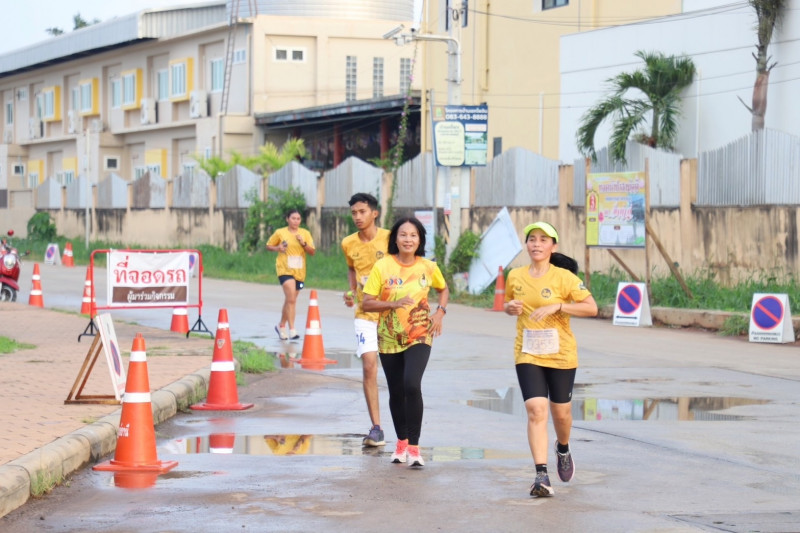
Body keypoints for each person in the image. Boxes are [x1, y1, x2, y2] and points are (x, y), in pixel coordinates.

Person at [503, 221, 597, 497]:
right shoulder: (515, 276)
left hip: (561, 354)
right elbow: (508, 304)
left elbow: (591, 308)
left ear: (553, 246)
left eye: (543, 240)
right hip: (528, 352)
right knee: (536, 410)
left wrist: (559, 305)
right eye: (532, 239)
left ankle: (563, 448)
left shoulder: (564, 278)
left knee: (561, 414)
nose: (536, 244)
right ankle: (541, 475)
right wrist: (510, 308)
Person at [362, 216, 449, 467]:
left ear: (420, 240)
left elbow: (443, 289)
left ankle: (414, 447)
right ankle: (401, 442)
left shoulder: (428, 267)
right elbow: (367, 302)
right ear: (395, 239)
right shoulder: (383, 266)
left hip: (419, 334)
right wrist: (393, 304)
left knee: (412, 384)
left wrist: (440, 312)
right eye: (403, 235)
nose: (408, 239)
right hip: (389, 336)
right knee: (397, 390)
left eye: (413, 235)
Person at [341, 193, 391, 447]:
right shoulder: (348, 243)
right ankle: (376, 428)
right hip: (364, 314)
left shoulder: (390, 238)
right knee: (369, 366)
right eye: (354, 213)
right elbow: (352, 268)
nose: (358, 217)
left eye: (362, 212)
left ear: (374, 213)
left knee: (397, 373)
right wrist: (351, 291)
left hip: (391, 314)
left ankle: (405, 430)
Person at [265, 209, 316, 340]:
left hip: (299, 271)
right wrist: (278, 248)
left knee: (290, 300)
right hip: (284, 269)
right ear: (287, 219)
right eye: (293, 218)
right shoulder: (280, 232)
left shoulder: (305, 233)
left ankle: (281, 325)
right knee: (291, 299)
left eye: (298, 219)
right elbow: (268, 245)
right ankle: (292, 329)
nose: (296, 221)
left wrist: (303, 243)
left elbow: (312, 252)